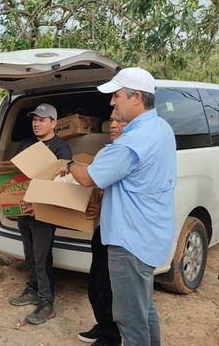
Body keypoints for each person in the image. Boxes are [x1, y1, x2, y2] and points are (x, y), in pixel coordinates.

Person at [64, 67, 177, 346]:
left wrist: (68, 164)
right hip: (149, 236)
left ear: (136, 97)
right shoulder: (160, 127)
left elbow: (88, 177)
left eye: (116, 96)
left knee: (129, 318)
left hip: (130, 241)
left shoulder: (133, 141)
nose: (112, 103)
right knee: (144, 307)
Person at [0, 103, 72, 325]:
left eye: (42, 119)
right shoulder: (26, 144)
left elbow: (62, 184)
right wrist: (2, 188)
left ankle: (46, 302)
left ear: (54, 123)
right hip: (23, 208)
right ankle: (33, 288)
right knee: (29, 254)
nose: (36, 123)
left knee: (41, 256)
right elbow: (13, 175)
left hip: (44, 211)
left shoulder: (61, 149)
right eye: (34, 120)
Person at [78, 109, 125, 346]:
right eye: (112, 121)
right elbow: (98, 188)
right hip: (101, 229)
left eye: (120, 121)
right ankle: (103, 325)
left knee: (106, 286)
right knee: (94, 283)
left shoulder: (128, 152)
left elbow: (124, 194)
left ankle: (111, 336)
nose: (114, 125)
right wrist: (97, 206)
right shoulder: (106, 151)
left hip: (118, 232)